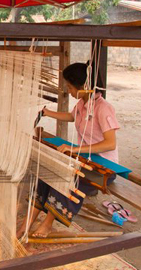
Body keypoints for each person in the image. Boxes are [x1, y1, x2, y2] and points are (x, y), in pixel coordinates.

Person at [17, 62, 120, 239]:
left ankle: (47, 224)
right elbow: (72, 117)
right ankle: (29, 220)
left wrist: (75, 149)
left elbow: (110, 143)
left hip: (104, 168)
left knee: (65, 177)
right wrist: (47, 112)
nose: (69, 91)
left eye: (70, 87)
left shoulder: (103, 108)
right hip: (84, 160)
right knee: (46, 173)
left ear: (83, 86)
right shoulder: (82, 103)